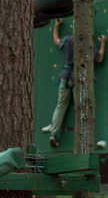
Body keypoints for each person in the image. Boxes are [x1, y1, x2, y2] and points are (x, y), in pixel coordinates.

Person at [42, 18, 106, 147]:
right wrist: (103, 43)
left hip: (65, 77)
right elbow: (99, 58)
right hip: (79, 78)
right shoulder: (87, 44)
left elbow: (56, 41)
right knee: (81, 107)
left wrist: (56, 26)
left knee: (61, 105)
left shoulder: (68, 40)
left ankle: (54, 133)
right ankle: (85, 139)